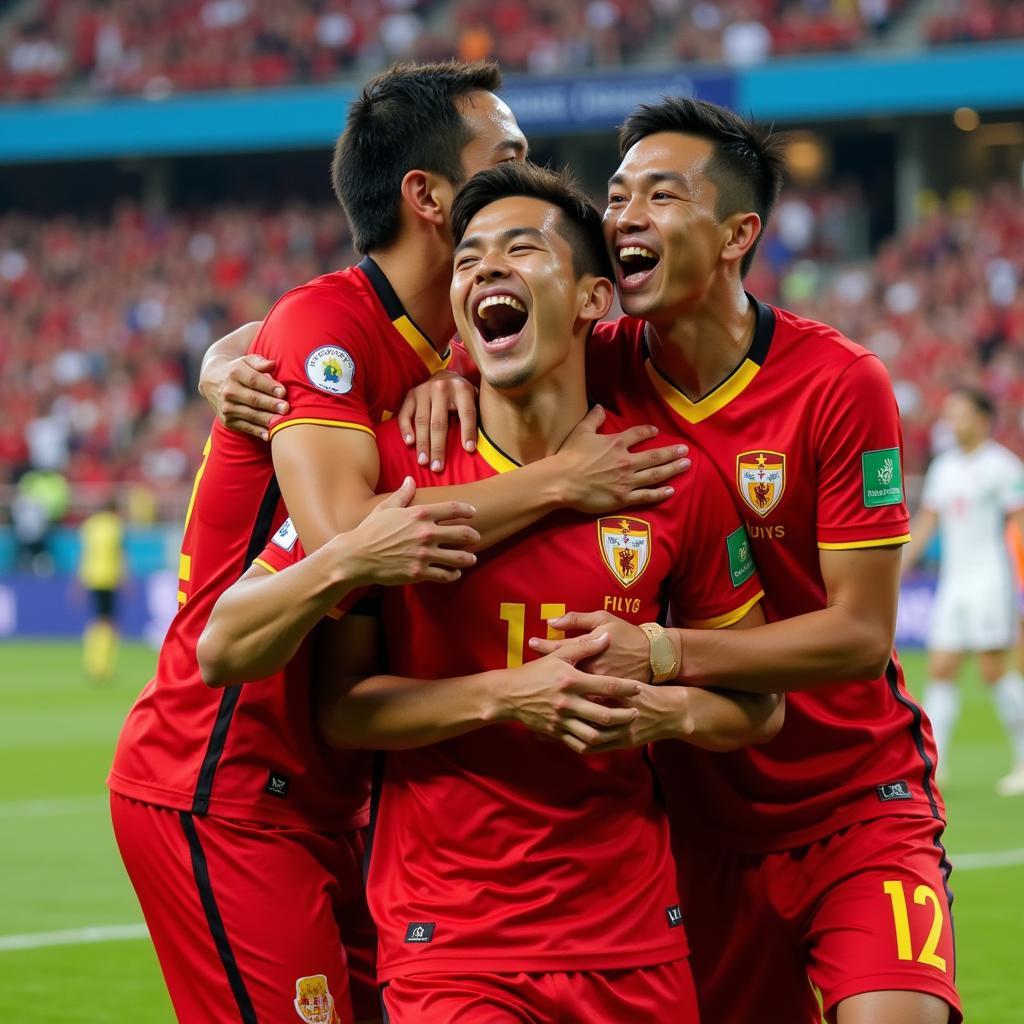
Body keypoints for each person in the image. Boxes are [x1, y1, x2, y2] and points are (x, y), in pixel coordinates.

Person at [113, 61, 686, 1024]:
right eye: (504, 156)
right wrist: (558, 483)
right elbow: (355, 542)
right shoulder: (326, 326)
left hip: (344, 793)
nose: (526, 172)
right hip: (225, 772)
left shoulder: (454, 348)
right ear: (426, 196)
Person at [388, 100, 961, 1024]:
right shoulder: (592, 361)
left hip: (851, 801)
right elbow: (398, 344)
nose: (624, 219)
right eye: (616, 197)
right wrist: (439, 379)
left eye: (662, 195)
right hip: (683, 825)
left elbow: (860, 636)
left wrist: (657, 652)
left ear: (739, 232)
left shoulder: (839, 383)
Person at [201, 162, 780, 1022]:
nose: (483, 271)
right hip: (453, 942)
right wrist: (508, 697)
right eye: (468, 258)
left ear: (591, 299)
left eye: (520, 249)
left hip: (634, 940)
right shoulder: (402, 475)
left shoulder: (668, 481)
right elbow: (306, 687)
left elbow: (758, 706)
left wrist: (667, 709)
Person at [903, 388, 1024, 796]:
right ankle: (936, 764)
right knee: (941, 668)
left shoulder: (1003, 467)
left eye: (960, 414)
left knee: (993, 670)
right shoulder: (944, 468)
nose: (952, 421)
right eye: (950, 413)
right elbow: (926, 524)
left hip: (991, 579)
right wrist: (899, 567)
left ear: (982, 418)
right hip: (953, 582)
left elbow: (1019, 528)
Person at [78, 497, 125, 682]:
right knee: (110, 624)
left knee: (96, 621)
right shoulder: (115, 525)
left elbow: (85, 554)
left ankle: (91, 662)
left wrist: (79, 581)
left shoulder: (90, 525)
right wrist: (126, 578)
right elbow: (120, 553)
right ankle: (104, 666)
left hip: (91, 577)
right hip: (110, 578)